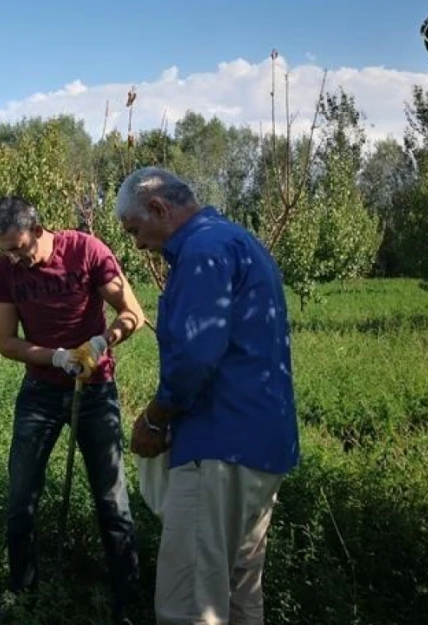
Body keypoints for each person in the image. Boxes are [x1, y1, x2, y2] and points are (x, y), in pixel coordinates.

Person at [114, 167, 300, 625]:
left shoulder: (201, 252)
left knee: (191, 604)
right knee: (238, 596)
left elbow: (196, 356)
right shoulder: (237, 241)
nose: (137, 245)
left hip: (218, 446)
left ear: (159, 208)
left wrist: (156, 418)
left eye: (135, 230)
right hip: (261, 446)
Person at [0, 195, 147, 621]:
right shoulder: (4, 271)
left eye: (20, 247)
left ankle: (126, 600)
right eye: (6, 250)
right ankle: (23, 595)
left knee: (112, 499)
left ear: (38, 230)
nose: (15, 258)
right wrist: (57, 356)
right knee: (21, 497)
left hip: (95, 391)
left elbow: (132, 312)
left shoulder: (86, 251)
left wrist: (102, 342)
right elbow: (7, 343)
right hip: (40, 391)